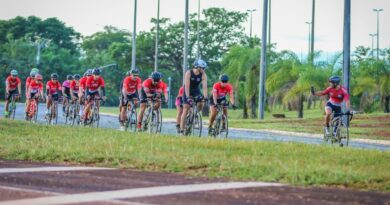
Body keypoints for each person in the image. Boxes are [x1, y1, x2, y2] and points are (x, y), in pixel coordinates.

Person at [179, 59, 208, 135]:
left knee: (201, 102)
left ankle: (195, 114)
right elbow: (187, 86)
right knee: (186, 108)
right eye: (202, 68)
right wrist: (188, 97)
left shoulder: (203, 74)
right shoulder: (189, 73)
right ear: (197, 67)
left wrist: (205, 97)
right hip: (187, 90)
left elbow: (205, 87)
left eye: (204, 68)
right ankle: (182, 128)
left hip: (196, 90)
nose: (203, 70)